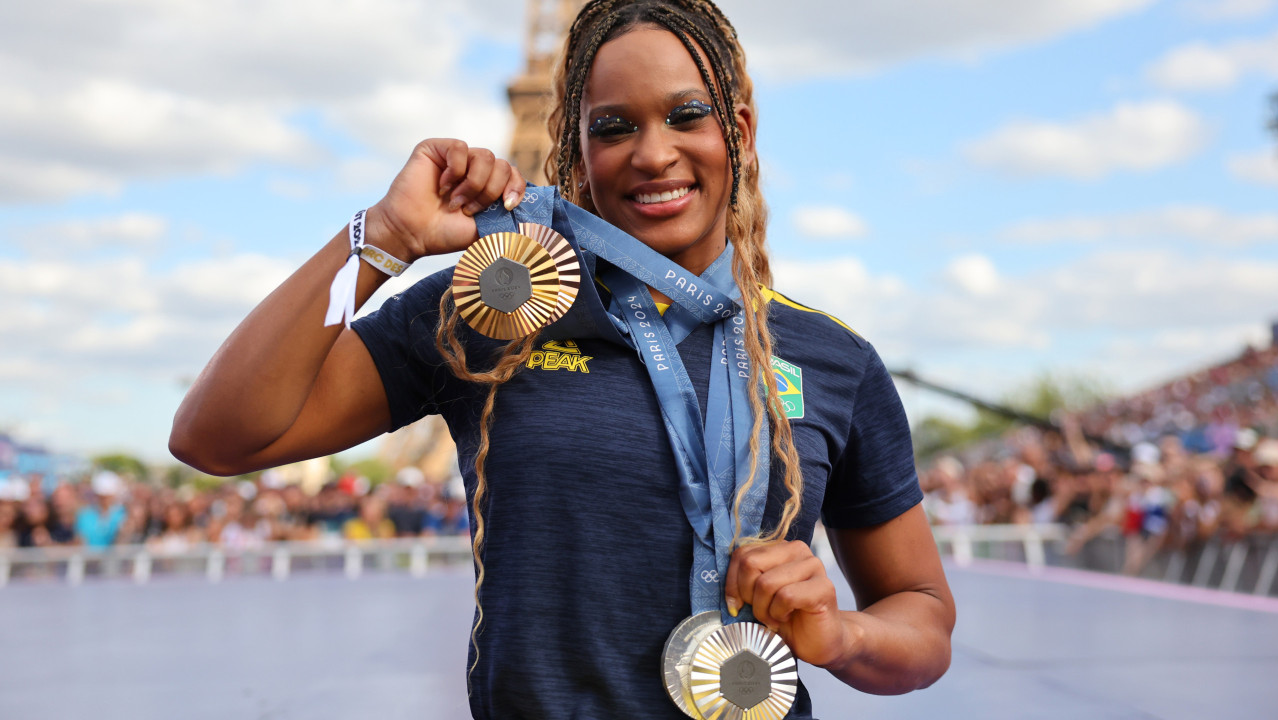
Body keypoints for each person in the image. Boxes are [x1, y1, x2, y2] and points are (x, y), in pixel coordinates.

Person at [169, 1, 954, 717]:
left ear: (739, 132)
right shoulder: (487, 309)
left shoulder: (832, 358)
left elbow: (922, 616)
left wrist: (841, 636)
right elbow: (217, 435)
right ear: (573, 149)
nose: (654, 153)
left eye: (688, 116)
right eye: (613, 127)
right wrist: (384, 238)